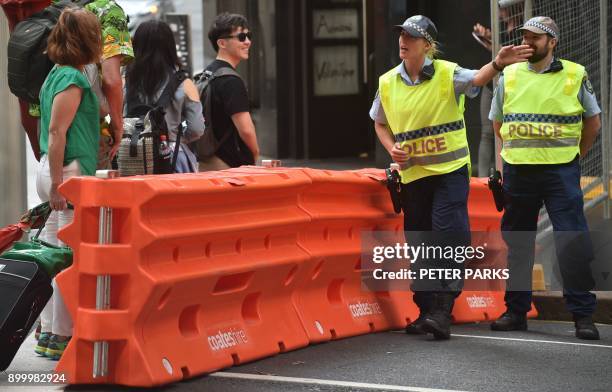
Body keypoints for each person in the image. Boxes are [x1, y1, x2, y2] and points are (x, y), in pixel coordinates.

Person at [370, 15, 532, 340]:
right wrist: (392, 149)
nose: (403, 41)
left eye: (412, 37)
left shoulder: (447, 73)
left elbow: (477, 79)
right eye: (402, 35)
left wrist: (497, 63)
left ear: (427, 45)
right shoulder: (388, 82)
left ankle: (442, 312)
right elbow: (380, 122)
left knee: (446, 236)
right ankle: (425, 310)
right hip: (415, 175)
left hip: (449, 173)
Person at [488, 17, 601, 340]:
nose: (528, 42)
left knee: (572, 240)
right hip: (519, 169)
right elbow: (498, 124)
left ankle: (582, 315)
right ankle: (516, 311)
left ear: (552, 42)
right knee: (519, 242)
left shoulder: (574, 73)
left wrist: (574, 156)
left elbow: (593, 122)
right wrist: (506, 162)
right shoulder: (508, 75)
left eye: (535, 37)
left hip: (560, 169)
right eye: (525, 36)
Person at [34, 7, 102, 359]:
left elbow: (51, 130)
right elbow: (57, 132)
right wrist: (60, 184)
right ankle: (61, 334)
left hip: (54, 168)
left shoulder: (55, 74)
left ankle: (47, 331)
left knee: (50, 253)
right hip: (69, 172)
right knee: (68, 259)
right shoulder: (72, 79)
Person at [5, 0, 132, 167]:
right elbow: (111, 80)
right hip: (85, 134)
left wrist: (35, 137)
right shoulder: (108, 9)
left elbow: (23, 73)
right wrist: (117, 127)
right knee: (89, 190)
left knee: (57, 187)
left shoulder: (43, 5)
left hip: (44, 131)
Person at [124, 20, 204, 172]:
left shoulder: (124, 81)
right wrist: (176, 137)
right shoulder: (185, 84)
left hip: (131, 154)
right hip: (171, 156)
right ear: (170, 47)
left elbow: (111, 117)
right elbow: (197, 128)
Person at [197, 12, 260, 171]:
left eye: (248, 36)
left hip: (206, 159)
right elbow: (246, 129)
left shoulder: (207, 73)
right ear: (222, 43)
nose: (247, 42)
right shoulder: (231, 81)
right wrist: (256, 153)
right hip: (228, 166)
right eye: (241, 37)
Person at [473, 1, 523, 176]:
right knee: (486, 133)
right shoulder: (499, 25)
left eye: (502, 8)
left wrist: (492, 43)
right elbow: (498, 55)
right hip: (491, 84)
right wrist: (485, 35)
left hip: (513, 86)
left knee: (507, 132)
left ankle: (505, 176)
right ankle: (482, 178)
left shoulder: (525, 28)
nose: (499, 12)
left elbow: (515, 55)